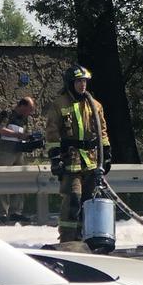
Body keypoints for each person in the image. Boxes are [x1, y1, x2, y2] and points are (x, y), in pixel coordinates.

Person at [45, 65, 111, 245]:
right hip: (70, 160)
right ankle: (67, 238)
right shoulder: (59, 104)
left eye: (85, 81)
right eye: (79, 81)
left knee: (89, 201)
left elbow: (102, 130)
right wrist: (55, 157)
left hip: (90, 160)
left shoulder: (95, 105)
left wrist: (107, 154)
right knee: (73, 197)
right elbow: (52, 133)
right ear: (70, 83)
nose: (83, 85)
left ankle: (85, 236)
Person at [0, 96, 39, 223]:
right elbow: (1, 130)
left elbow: (23, 134)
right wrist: (18, 135)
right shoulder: (8, 114)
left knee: (19, 180)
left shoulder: (24, 119)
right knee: (3, 181)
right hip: (6, 152)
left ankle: (16, 211)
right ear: (22, 106)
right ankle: (2, 213)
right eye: (28, 110)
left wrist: (30, 140)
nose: (29, 113)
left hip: (18, 152)